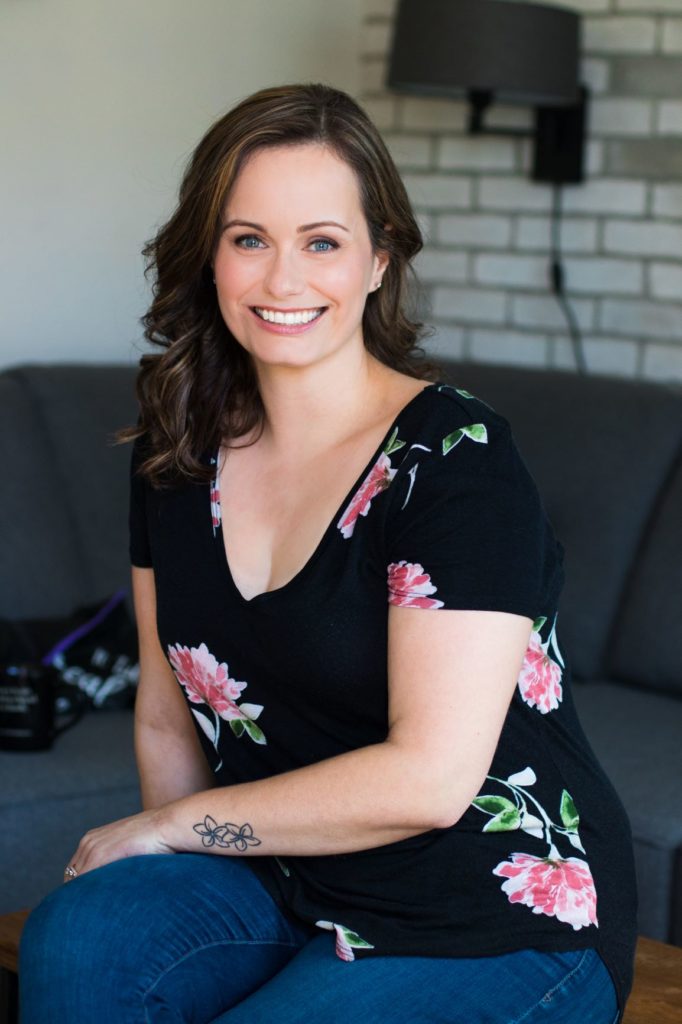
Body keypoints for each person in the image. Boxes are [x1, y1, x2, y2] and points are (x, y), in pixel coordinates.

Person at [19, 82, 637, 1023]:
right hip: (285, 875)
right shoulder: (176, 447)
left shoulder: (455, 460)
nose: (282, 281)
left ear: (380, 259)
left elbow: (429, 780)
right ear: (209, 256)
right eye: (248, 238)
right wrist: (162, 864)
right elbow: (164, 709)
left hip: (487, 910)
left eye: (322, 241)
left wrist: (170, 826)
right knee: (81, 930)